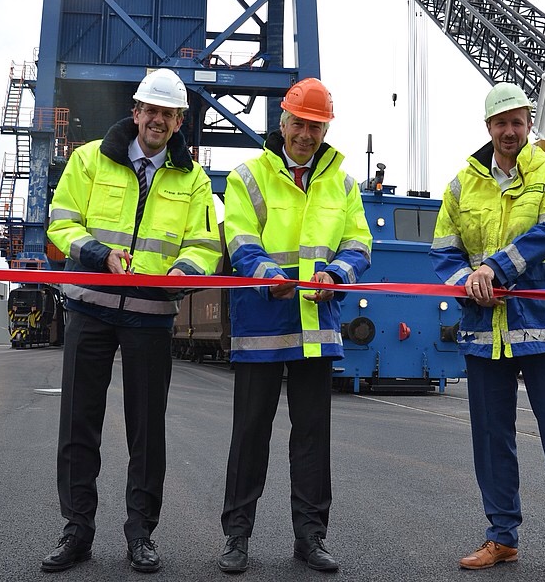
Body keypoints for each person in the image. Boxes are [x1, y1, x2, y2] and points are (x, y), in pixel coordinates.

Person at [40, 68, 222, 574]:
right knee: (78, 425)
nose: (158, 120)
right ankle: (77, 530)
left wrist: (182, 273)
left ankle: (141, 534)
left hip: (151, 315)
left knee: (147, 432)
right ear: (136, 111)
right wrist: (99, 254)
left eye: (169, 114)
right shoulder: (88, 159)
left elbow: (205, 244)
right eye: (151, 110)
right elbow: (61, 221)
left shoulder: (194, 179)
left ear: (180, 121)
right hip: (90, 305)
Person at [428, 82, 545, 582]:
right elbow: (444, 252)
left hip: (542, 325)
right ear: (488, 127)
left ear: (529, 125)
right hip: (484, 329)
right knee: (491, 440)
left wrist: (493, 270)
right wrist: (469, 283)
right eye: (501, 123)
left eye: (517, 122)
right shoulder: (461, 185)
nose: (509, 131)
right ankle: (501, 537)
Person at [216, 77, 371, 575]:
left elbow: (359, 243)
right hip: (263, 322)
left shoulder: (343, 183)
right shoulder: (248, 176)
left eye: (315, 127)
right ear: (282, 123)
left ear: (326, 131)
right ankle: (237, 537)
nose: (306, 134)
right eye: (299, 124)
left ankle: (311, 537)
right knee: (250, 435)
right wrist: (268, 275)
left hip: (316, 327)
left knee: (311, 439)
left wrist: (336, 274)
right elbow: (239, 237)